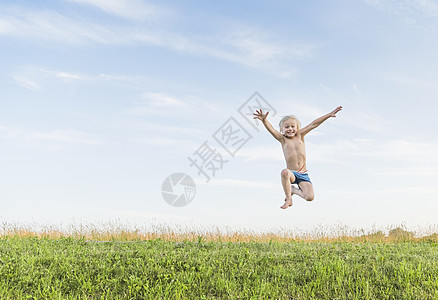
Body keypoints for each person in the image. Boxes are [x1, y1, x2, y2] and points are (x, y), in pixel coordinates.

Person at [253, 106, 342, 209]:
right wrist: (264, 121)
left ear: (297, 128)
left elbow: (314, 124)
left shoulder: (300, 135)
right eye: (287, 127)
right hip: (292, 174)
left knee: (309, 197)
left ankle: (293, 190)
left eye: (292, 126)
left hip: (303, 173)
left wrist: (328, 115)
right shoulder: (282, 139)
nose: (290, 129)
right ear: (282, 129)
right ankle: (289, 199)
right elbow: (272, 130)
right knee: (284, 172)